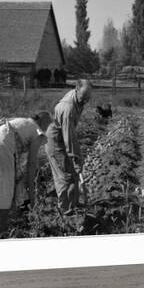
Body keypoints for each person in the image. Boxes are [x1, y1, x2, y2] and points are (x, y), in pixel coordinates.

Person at [0, 111, 52, 232]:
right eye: (49, 125)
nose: (48, 128)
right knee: (4, 187)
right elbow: (31, 164)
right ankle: (2, 231)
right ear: (44, 122)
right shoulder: (37, 130)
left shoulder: (22, 122)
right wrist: (32, 196)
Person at [45, 79, 93, 214]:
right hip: (55, 142)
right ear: (76, 90)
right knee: (65, 177)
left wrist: (76, 158)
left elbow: (70, 135)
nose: (85, 101)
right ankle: (64, 210)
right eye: (83, 97)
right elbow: (69, 138)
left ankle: (74, 204)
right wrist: (75, 158)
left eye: (88, 98)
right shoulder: (68, 108)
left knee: (73, 174)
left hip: (64, 137)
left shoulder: (78, 98)